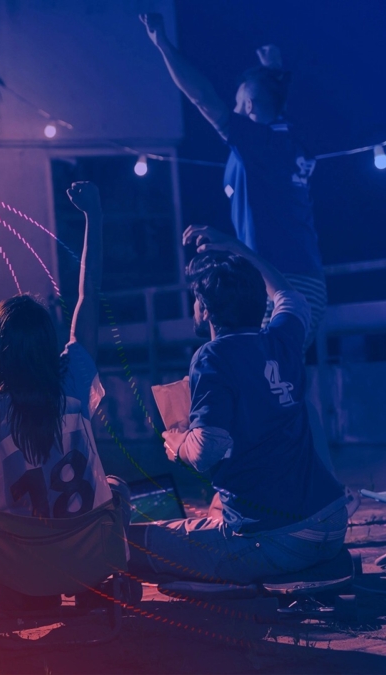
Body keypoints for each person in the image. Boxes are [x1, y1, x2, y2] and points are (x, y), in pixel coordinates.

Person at [0, 182, 129, 608]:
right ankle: (96, 589)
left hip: (22, 568)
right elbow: (89, 294)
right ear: (48, 343)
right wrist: (94, 217)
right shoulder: (73, 378)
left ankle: (30, 594)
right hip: (84, 560)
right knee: (116, 488)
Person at [126, 225, 347, 587]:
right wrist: (235, 246)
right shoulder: (284, 338)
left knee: (124, 545)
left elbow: (206, 450)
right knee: (217, 504)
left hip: (277, 540)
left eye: (196, 301)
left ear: (207, 311)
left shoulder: (213, 356)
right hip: (332, 522)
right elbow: (289, 295)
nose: (193, 308)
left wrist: (178, 443)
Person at [139, 13, 325, 348]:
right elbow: (275, 104)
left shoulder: (259, 144)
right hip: (303, 278)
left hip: (280, 280)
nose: (233, 111)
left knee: (261, 378)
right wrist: (274, 71)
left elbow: (202, 98)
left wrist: (163, 45)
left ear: (249, 105)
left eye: (239, 104)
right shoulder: (289, 142)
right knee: (274, 380)